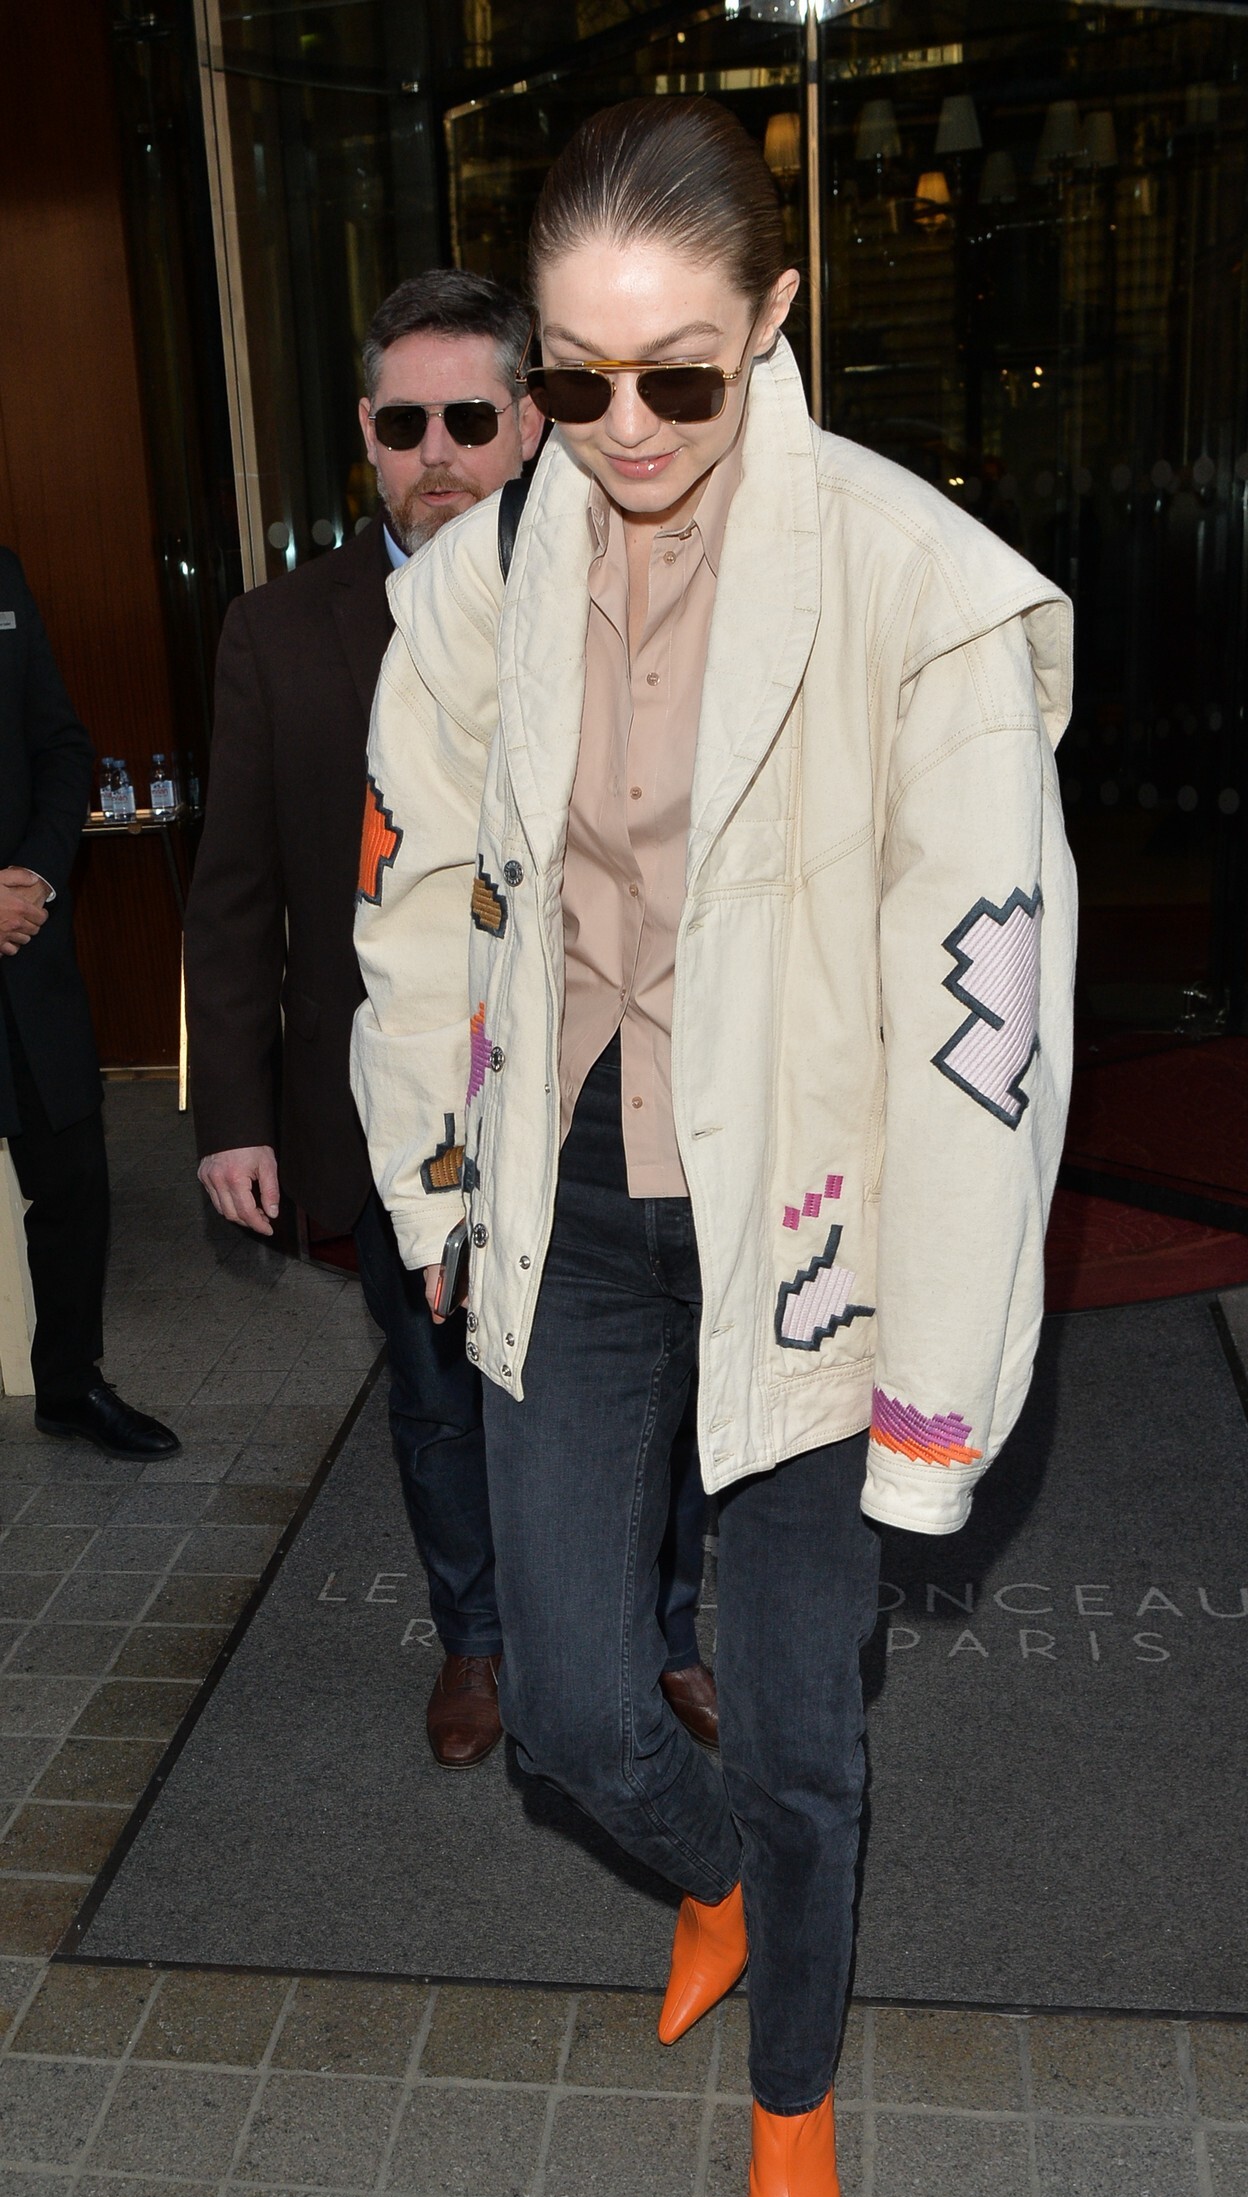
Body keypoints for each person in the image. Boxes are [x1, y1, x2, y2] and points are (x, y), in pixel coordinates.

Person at [351, 101, 1074, 2197]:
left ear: (775, 316)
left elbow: (986, 1033)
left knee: (797, 1728)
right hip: (575, 1183)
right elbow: (423, 909)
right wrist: (436, 1187)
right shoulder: (481, 581)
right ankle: (717, 1883)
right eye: (573, 382)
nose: (627, 428)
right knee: (576, 1712)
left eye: (680, 370)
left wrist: (936, 1381)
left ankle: (792, 2091)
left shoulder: (918, 591)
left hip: (821, 1217)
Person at [186, 269, 718, 1767]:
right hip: (390, 1101)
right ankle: (477, 1640)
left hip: (602, 1090)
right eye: (405, 423)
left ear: (531, 425)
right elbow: (235, 893)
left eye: (471, 421)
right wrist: (231, 1116)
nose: (438, 454)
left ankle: (661, 1638)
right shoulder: (277, 631)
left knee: (642, 1390)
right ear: (365, 432)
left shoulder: (629, 592)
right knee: (437, 1403)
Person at [0, 550, 179, 1460]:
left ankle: (70, 1385)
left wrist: (35, 873)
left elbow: (62, 746)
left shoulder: (2, 578)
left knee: (73, 1182)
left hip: (26, 952)